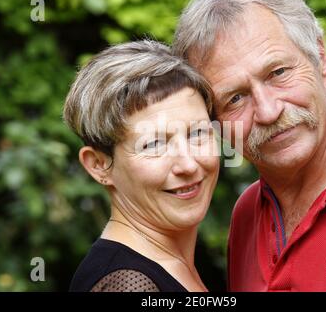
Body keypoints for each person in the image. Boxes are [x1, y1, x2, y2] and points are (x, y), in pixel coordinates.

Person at [173, 0, 326, 291]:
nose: (268, 111)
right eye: (235, 98)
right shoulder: (246, 212)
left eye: (278, 73)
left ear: (321, 60)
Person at [64, 40, 219, 292]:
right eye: (154, 144)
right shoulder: (126, 285)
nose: (189, 164)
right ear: (99, 165)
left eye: (197, 133)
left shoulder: (182, 262)